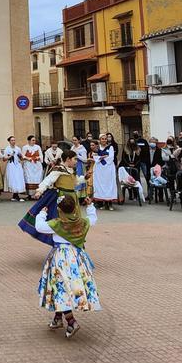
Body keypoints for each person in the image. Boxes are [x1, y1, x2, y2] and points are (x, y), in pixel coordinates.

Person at [34, 195, 101, 339]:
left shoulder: (57, 224)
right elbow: (93, 219)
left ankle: (71, 322)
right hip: (77, 257)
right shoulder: (81, 222)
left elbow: (39, 226)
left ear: (59, 210)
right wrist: (90, 207)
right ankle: (58, 318)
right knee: (64, 287)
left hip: (61, 258)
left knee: (60, 287)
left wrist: (42, 213)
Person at [20, 149, 84, 244]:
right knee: (62, 220)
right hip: (62, 198)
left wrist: (84, 178)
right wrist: (39, 191)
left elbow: (75, 182)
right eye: (75, 159)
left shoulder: (71, 170)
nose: (76, 161)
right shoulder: (58, 169)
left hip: (72, 198)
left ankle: (73, 240)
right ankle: (61, 242)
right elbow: (47, 180)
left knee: (73, 220)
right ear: (68, 159)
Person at [90, 141, 119, 210]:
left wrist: (101, 158)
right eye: (102, 139)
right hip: (100, 169)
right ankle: (103, 203)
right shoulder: (97, 148)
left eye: (105, 138)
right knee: (101, 185)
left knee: (109, 185)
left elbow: (111, 157)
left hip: (109, 168)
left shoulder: (110, 147)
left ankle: (110, 204)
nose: (104, 140)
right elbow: (95, 157)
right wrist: (103, 156)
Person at [1, 136, 26, 202]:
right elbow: (4, 159)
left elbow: (21, 158)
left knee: (18, 178)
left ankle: (16, 195)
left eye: (14, 140)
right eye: (12, 140)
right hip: (11, 165)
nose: (13, 141)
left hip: (17, 165)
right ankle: (15, 195)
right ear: (9, 141)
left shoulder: (18, 148)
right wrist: (9, 156)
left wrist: (20, 156)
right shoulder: (7, 149)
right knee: (13, 179)